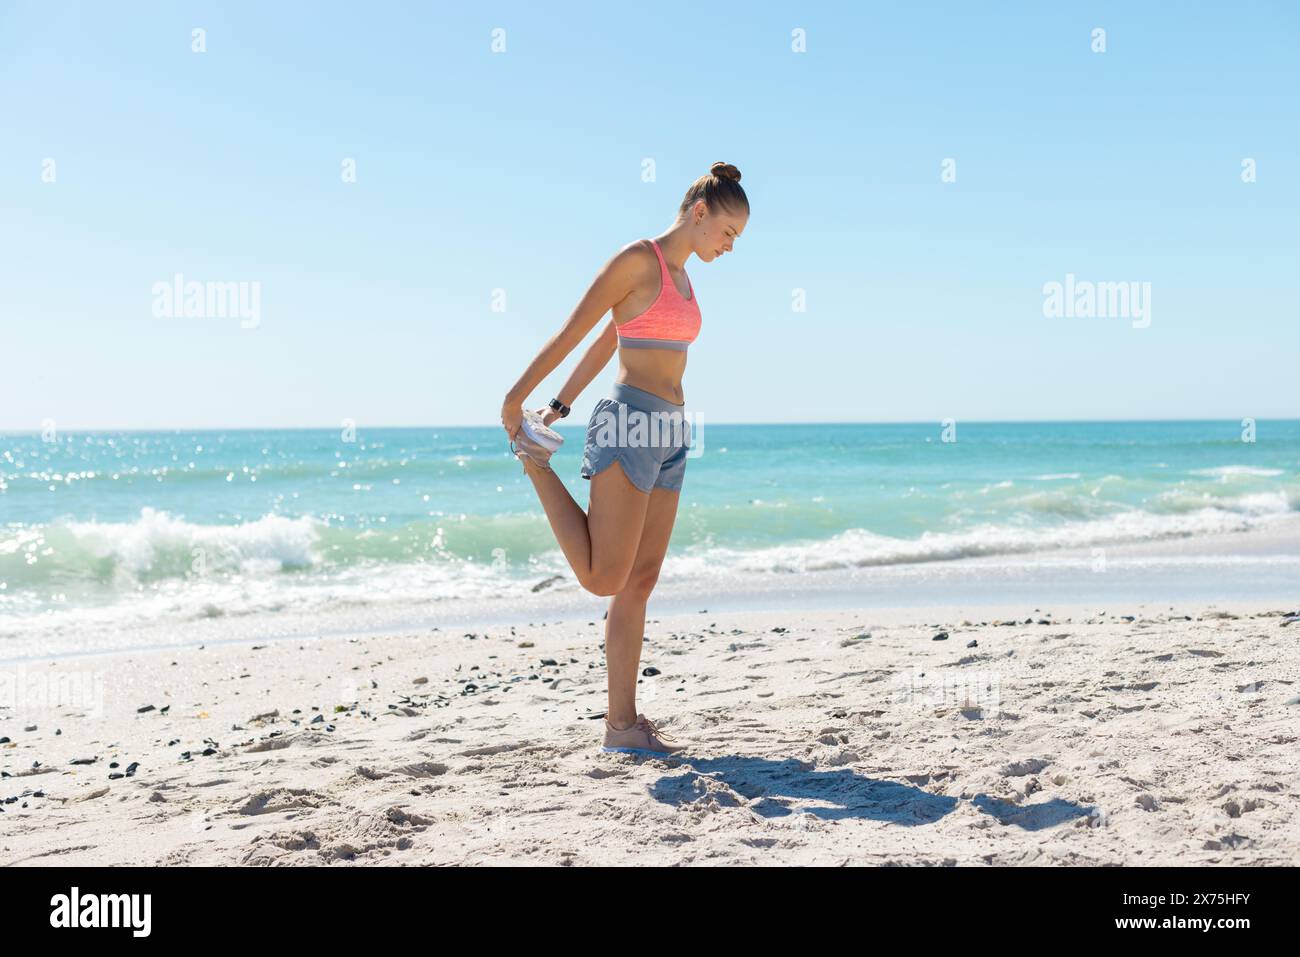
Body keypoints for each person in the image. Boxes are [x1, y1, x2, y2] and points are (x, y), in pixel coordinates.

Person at [501, 162, 749, 755]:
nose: (729, 246)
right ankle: (536, 466)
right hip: (629, 422)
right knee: (604, 577)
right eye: (727, 233)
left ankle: (623, 727)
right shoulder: (637, 261)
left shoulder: (685, 279)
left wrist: (561, 404)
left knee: (639, 580)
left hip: (669, 431)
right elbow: (574, 330)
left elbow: (613, 337)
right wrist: (515, 401)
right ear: (699, 213)